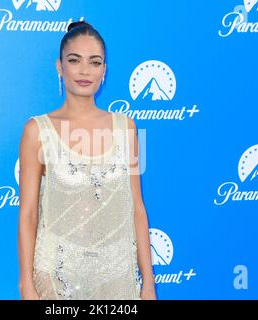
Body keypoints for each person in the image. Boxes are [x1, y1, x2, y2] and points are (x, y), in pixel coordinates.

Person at [18, 20, 156, 300]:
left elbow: (137, 208)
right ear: (59, 67)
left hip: (117, 277)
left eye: (95, 62)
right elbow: (28, 213)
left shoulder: (126, 127)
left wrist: (148, 283)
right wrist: (26, 286)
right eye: (74, 60)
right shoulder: (37, 130)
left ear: (104, 70)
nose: (84, 71)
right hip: (55, 278)